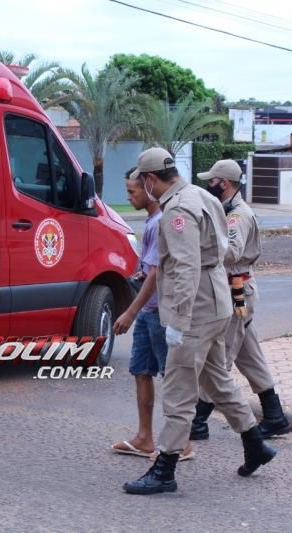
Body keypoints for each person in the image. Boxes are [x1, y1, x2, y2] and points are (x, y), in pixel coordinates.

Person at [122, 148, 276, 496]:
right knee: (217, 379)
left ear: (149, 180)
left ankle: (165, 468)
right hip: (218, 298)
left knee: (178, 389)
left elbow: (186, 266)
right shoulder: (202, 195)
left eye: (141, 184)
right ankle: (255, 443)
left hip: (196, 307)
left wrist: (178, 319)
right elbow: (221, 246)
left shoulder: (177, 208)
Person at [189, 160, 290, 441]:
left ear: (225, 183)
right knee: (249, 357)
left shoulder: (237, 217)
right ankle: (274, 416)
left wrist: (202, 251)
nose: (208, 185)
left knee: (220, 359)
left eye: (212, 180)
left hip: (236, 292)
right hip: (238, 290)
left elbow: (231, 252)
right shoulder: (228, 211)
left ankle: (197, 420)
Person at [111, 169, 194, 462]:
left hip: (159, 313)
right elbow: (151, 269)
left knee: (170, 378)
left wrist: (130, 312)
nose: (128, 197)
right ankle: (145, 438)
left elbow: (157, 274)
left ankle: (181, 444)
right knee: (141, 372)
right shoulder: (152, 221)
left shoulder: (161, 221)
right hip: (148, 312)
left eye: (132, 191)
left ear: (149, 186)